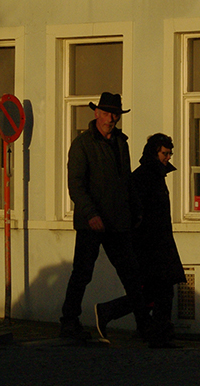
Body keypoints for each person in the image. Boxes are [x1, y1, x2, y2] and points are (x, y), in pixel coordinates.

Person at [59, 92, 153, 342]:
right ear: (96, 113)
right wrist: (91, 214)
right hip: (93, 222)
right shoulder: (82, 144)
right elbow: (75, 184)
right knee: (82, 273)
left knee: (131, 274)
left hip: (119, 221)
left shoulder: (121, 143)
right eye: (108, 113)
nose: (111, 118)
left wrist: (136, 210)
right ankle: (69, 321)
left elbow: (127, 181)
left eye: (115, 114)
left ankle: (144, 325)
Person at [94, 133, 186, 348]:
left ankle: (153, 331)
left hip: (158, 243)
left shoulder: (153, 176)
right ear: (154, 152)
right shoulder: (144, 177)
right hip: (150, 245)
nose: (168, 157)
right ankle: (156, 333)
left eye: (170, 153)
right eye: (165, 153)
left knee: (158, 291)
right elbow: (139, 214)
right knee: (158, 291)